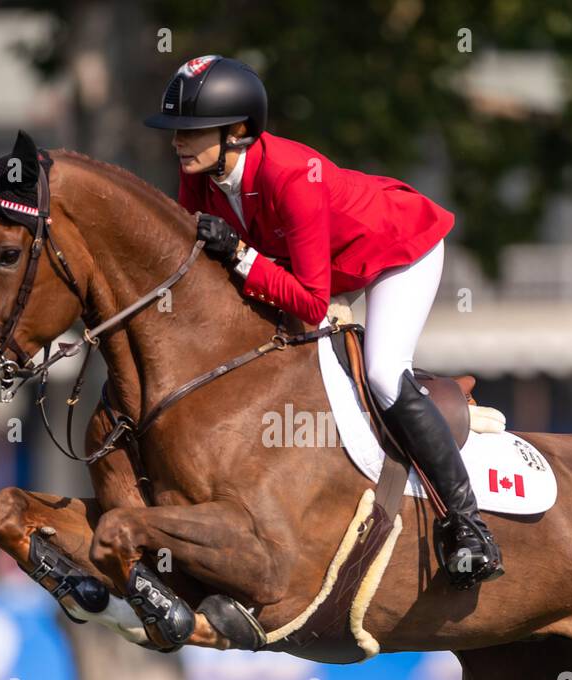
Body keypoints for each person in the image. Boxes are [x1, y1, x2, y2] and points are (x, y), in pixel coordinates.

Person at [143, 55, 502, 589]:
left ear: (238, 132)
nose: (178, 142)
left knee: (383, 374)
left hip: (398, 250)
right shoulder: (202, 175)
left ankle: (468, 524)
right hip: (314, 266)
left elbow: (311, 303)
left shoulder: (291, 177)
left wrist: (240, 255)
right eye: (177, 130)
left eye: (192, 132)